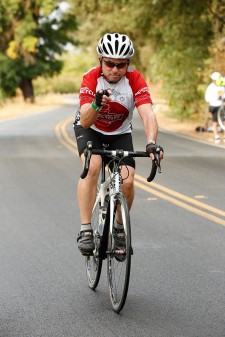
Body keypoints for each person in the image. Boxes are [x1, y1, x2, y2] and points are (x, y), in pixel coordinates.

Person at [74, 32, 163, 255]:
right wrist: (96, 104)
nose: (115, 69)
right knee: (93, 167)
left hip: (120, 132)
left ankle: (119, 229)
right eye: (110, 63)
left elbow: (147, 113)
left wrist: (152, 143)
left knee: (129, 180)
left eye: (121, 65)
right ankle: (86, 230)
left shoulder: (135, 80)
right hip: (90, 129)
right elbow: (85, 120)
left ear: (128, 64)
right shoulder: (91, 78)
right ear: (100, 61)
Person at [205, 71, 225, 143]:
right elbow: (207, 98)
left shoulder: (222, 86)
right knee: (215, 122)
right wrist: (216, 97)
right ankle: (216, 137)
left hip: (222, 106)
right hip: (214, 106)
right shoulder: (210, 87)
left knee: (224, 121)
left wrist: (222, 97)